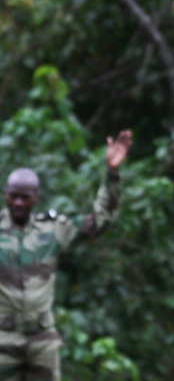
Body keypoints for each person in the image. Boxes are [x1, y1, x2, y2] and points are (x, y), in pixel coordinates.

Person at [0, 129, 132, 381]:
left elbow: (99, 222)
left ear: (36, 198)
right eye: (13, 196)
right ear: (5, 194)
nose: (17, 203)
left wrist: (112, 174)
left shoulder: (53, 231)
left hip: (41, 342)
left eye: (24, 197)